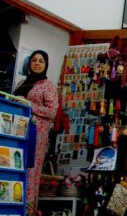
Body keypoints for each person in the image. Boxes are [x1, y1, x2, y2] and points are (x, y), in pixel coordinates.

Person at [14, 50, 58, 215]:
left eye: (41, 61)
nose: (37, 63)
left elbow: (52, 112)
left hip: (35, 135)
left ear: (46, 65)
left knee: (30, 171)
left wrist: (29, 105)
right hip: (16, 132)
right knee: (15, 167)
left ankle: (28, 211)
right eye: (34, 60)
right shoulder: (22, 83)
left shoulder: (48, 86)